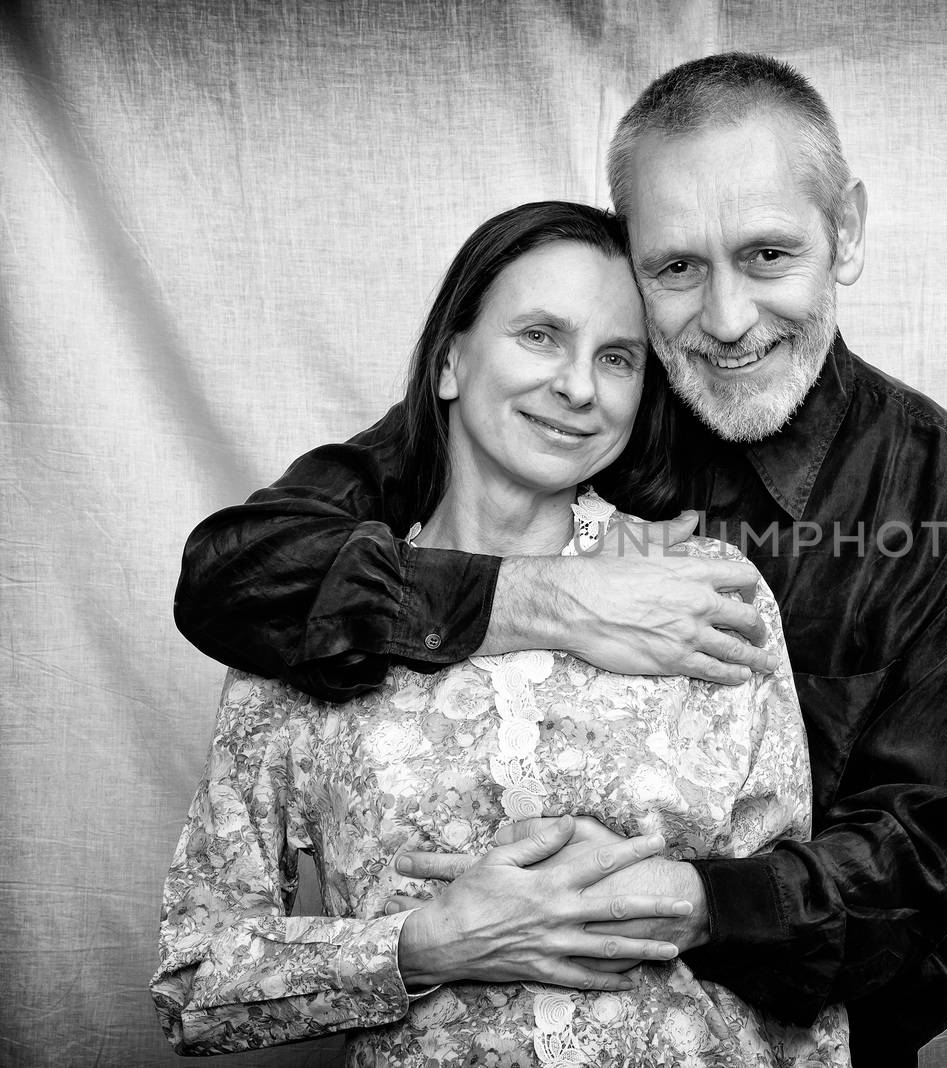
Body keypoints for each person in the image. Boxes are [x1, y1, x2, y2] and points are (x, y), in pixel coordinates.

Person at [176, 53, 947, 1065]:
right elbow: (241, 572)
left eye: (768, 255)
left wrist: (687, 902)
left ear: (843, 233)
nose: (724, 321)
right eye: (676, 267)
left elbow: (924, 855)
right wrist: (548, 599)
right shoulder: (569, 408)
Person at [153, 201, 851, 1066]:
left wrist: (679, 900)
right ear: (450, 359)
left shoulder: (705, 589)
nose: (579, 387)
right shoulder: (311, 617)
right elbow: (193, 983)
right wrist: (424, 945)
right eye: (539, 336)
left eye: (618, 358)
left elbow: (802, 960)